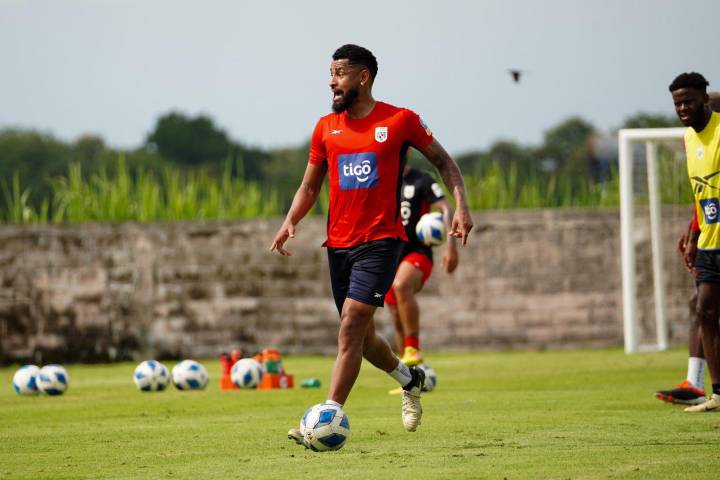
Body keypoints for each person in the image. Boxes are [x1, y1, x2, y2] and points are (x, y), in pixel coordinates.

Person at [270, 44, 473, 441]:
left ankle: (326, 418)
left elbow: (445, 163)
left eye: (340, 73)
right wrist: (290, 219)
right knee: (362, 340)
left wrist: (461, 206)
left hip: (381, 241)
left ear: (362, 77)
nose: (331, 81)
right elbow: (309, 186)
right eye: (330, 73)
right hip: (338, 246)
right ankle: (410, 379)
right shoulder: (325, 128)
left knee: (350, 324)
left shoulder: (400, 120)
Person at [655, 91, 720, 405]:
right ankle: (695, 383)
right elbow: (704, 194)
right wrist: (693, 233)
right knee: (700, 305)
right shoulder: (696, 143)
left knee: (704, 306)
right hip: (711, 242)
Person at [385, 165, 458, 369]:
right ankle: (410, 375)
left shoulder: (422, 180)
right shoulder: (382, 179)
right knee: (396, 317)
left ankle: (413, 348)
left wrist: (451, 246)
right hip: (389, 257)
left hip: (418, 252)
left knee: (401, 285)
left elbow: (445, 208)